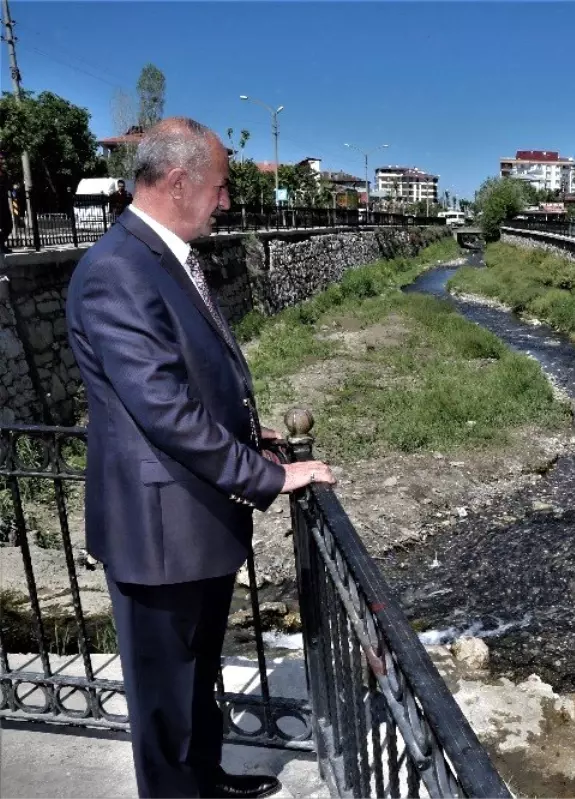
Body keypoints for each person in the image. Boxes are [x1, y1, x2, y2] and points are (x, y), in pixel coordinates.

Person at [65, 118, 336, 799]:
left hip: (191, 525)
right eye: (218, 188)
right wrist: (271, 476)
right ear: (179, 181)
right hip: (159, 535)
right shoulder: (117, 271)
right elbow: (165, 411)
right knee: (166, 702)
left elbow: (193, 385)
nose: (224, 202)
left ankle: (205, 782)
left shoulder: (164, 257)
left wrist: (255, 438)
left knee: (196, 681)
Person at [0, 156, 11, 252]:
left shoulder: (5, 174)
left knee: (8, 225)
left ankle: (1, 243)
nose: (3, 161)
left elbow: (8, 185)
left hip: (3, 202)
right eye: (1, 159)